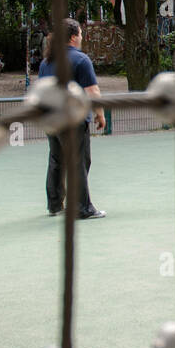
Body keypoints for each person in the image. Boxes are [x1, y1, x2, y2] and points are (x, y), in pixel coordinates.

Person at [37, 19, 106, 219]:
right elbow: (92, 91)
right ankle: (82, 208)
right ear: (74, 37)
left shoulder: (47, 61)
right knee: (79, 162)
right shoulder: (80, 60)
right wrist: (100, 114)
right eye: (81, 34)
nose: (82, 37)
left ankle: (55, 204)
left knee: (57, 160)